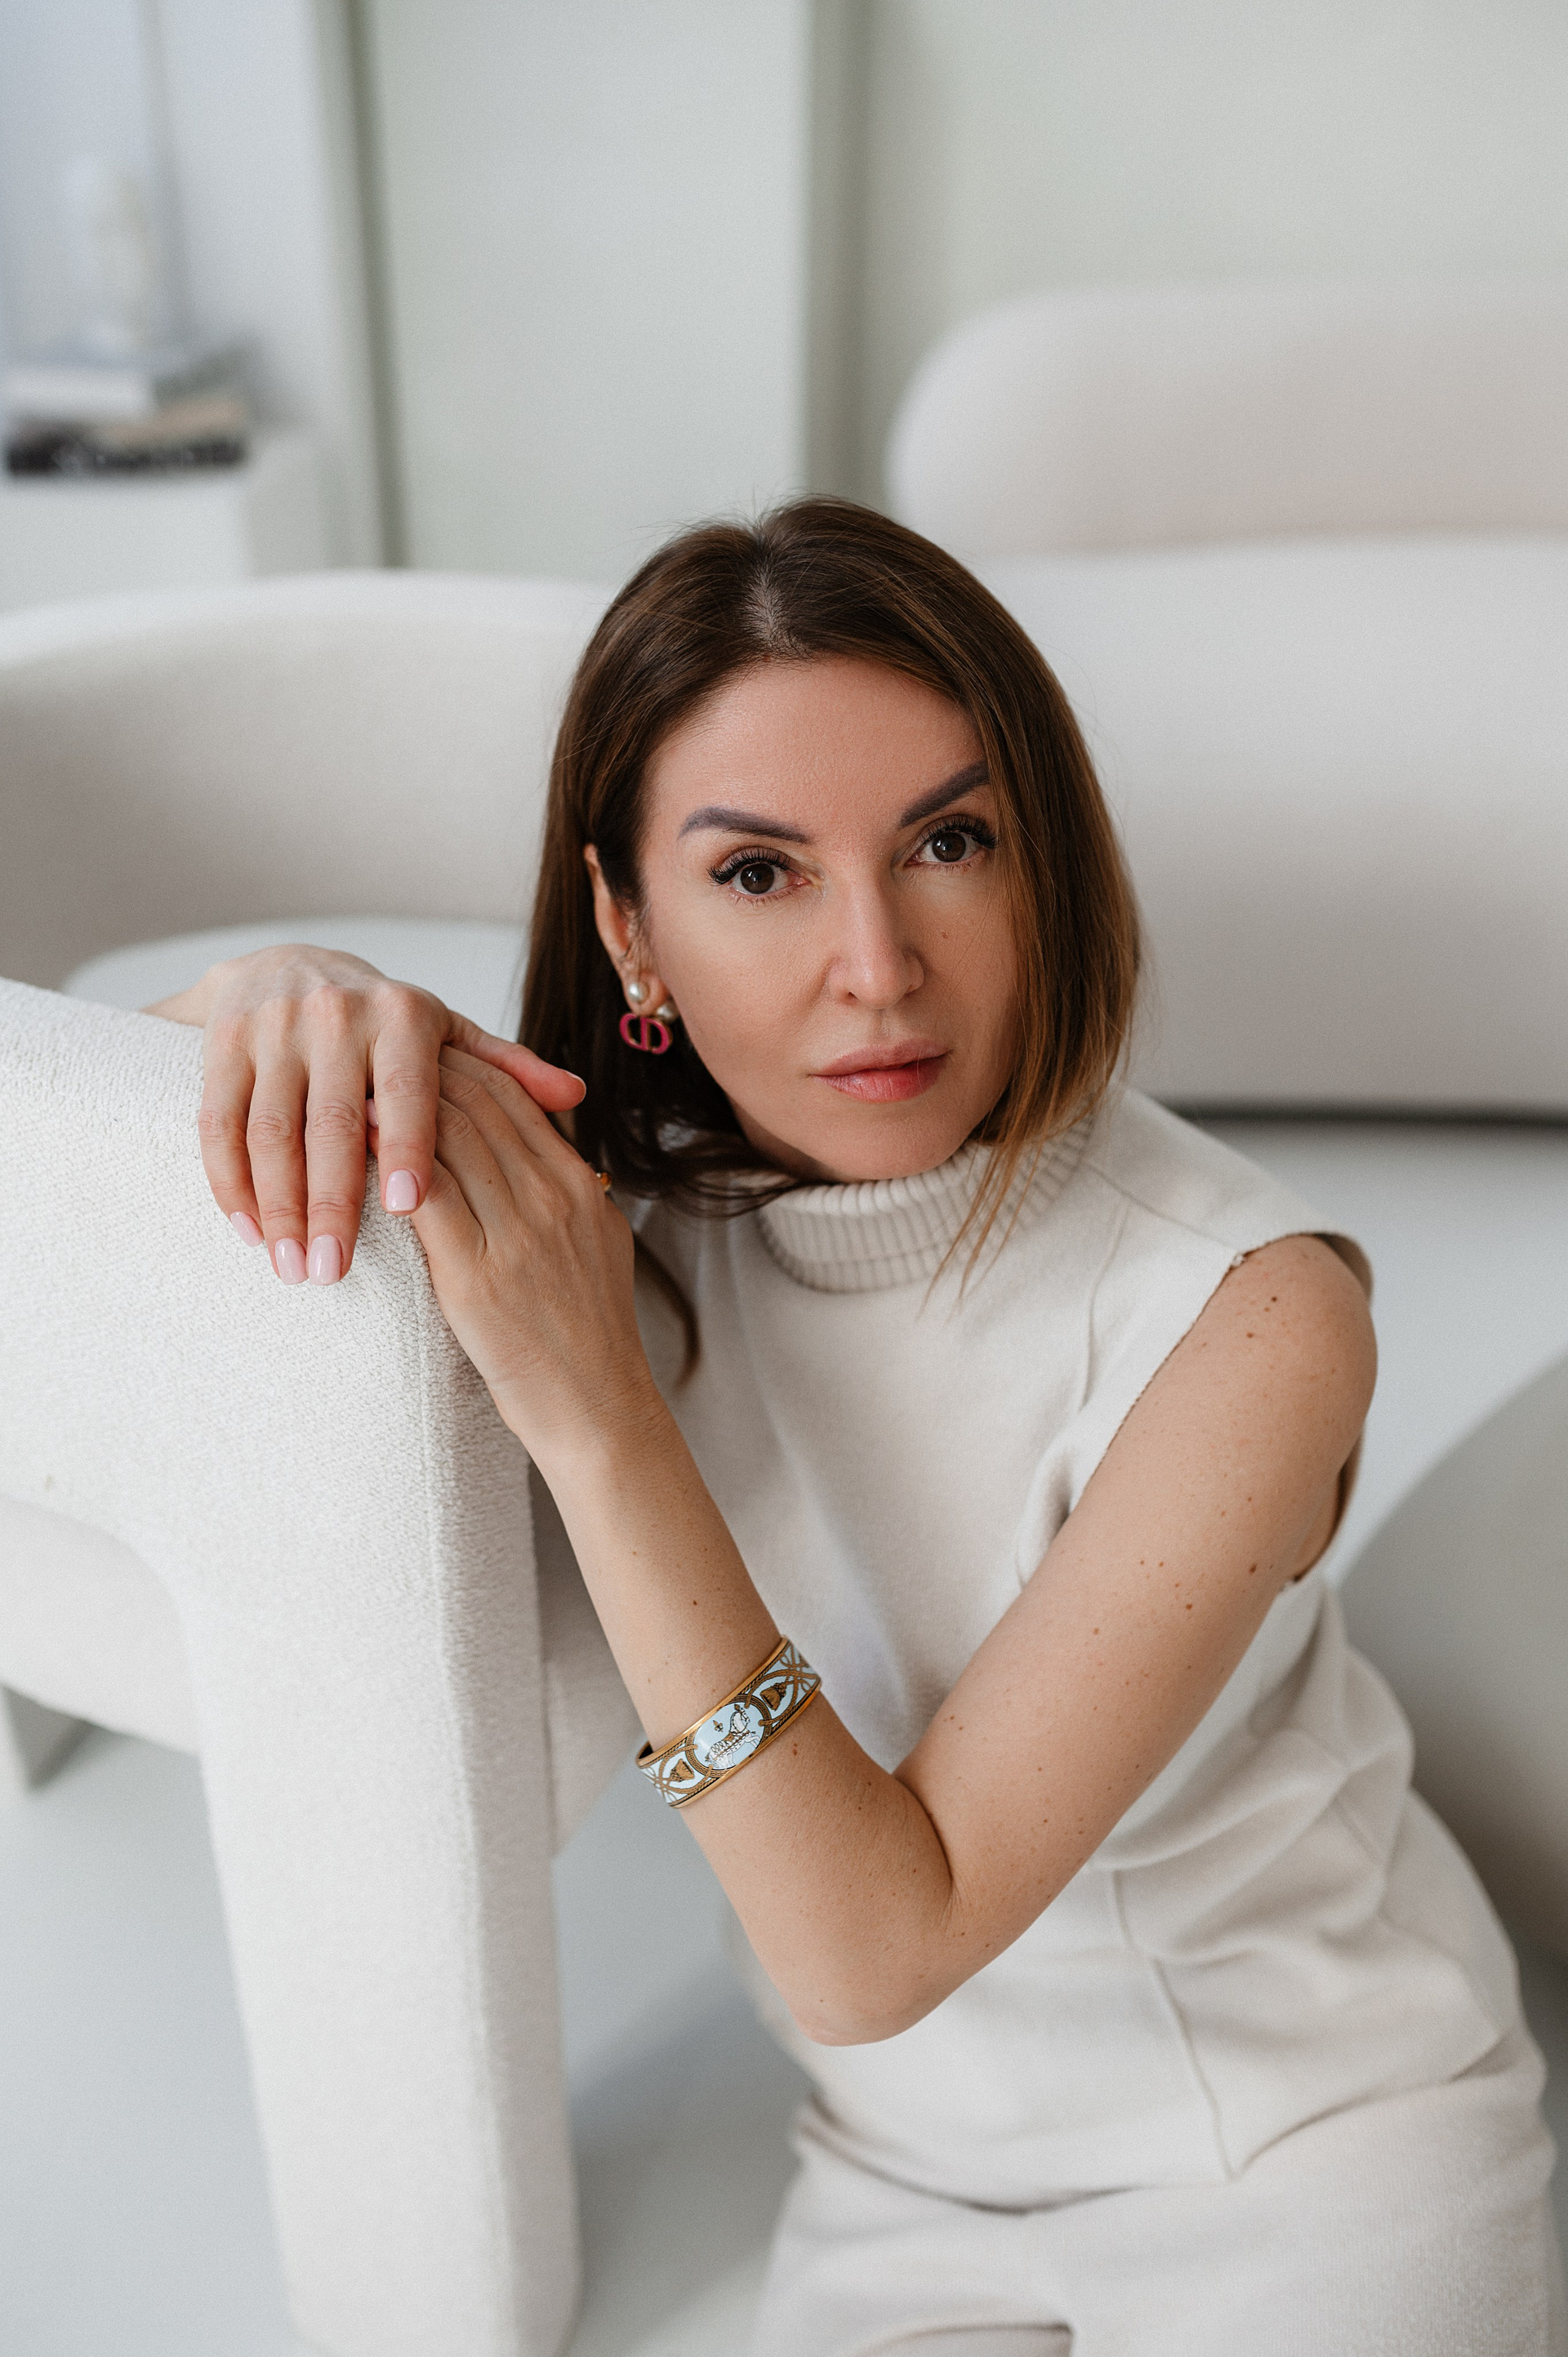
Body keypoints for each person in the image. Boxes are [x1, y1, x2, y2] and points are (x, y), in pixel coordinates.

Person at [153, 500, 1564, 2355]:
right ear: (628, 925)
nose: (879, 965)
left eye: (947, 843)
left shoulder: (1249, 1313)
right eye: (760, 874)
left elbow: (878, 1946)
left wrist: (602, 1418)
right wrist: (265, 1000)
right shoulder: (605, 1232)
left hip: (1313, 2141)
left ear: (1043, 863)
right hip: (903, 2184)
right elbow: (119, 1248)